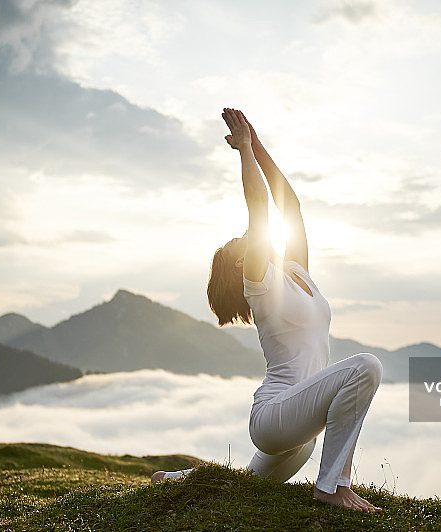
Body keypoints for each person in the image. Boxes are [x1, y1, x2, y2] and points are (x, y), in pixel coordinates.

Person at [152, 108, 383, 512]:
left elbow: (289, 207)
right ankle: (332, 487)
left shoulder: (296, 273)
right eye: (241, 242)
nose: (248, 237)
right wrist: (242, 152)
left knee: (240, 485)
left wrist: (257, 145)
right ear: (243, 265)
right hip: (275, 414)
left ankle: (173, 480)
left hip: (298, 428)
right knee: (365, 366)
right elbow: (259, 210)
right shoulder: (260, 285)